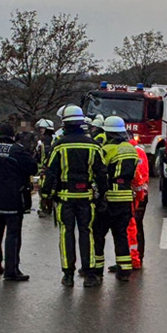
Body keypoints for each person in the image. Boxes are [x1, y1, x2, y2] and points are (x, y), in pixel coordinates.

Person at [42, 105, 106, 287]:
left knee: (66, 234)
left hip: (64, 199)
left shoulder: (58, 146)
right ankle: (90, 274)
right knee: (87, 233)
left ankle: (68, 274)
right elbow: (101, 174)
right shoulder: (93, 145)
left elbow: (50, 173)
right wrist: (102, 196)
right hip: (86, 198)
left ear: (65, 124)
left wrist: (46, 195)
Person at [0, 122, 38, 280]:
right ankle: (11, 270)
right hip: (12, 197)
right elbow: (32, 168)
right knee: (13, 233)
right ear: (13, 135)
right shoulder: (17, 150)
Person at [97, 116, 138, 281]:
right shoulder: (131, 149)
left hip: (109, 197)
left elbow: (100, 172)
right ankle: (124, 270)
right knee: (120, 234)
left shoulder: (107, 150)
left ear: (108, 133)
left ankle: (96, 271)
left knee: (99, 234)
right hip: (126, 197)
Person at [132, 138, 150, 267]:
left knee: (136, 225)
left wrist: (139, 193)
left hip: (138, 195)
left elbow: (141, 175)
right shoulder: (138, 150)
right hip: (139, 193)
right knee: (133, 227)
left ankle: (137, 256)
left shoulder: (136, 152)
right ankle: (134, 256)